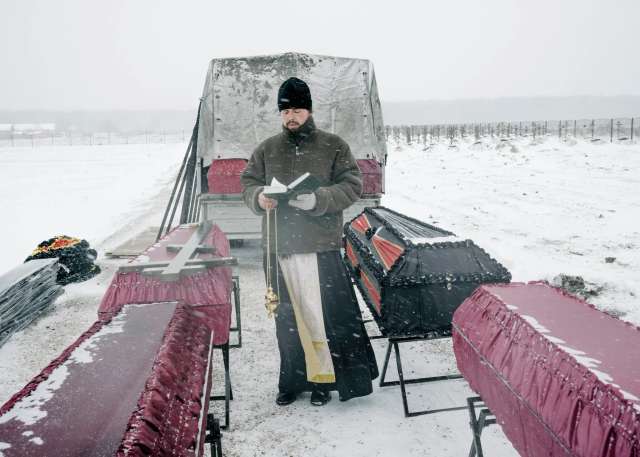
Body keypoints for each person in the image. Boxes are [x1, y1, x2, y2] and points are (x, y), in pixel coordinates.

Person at [241, 77, 378, 406]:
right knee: (286, 320)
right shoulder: (266, 149)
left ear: (310, 110)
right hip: (279, 247)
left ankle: (323, 381)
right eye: (286, 110)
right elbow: (248, 183)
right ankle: (292, 380)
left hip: (320, 247)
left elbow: (352, 184)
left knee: (319, 317)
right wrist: (259, 198)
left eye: (298, 109)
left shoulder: (333, 145)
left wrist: (319, 199)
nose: (291, 116)